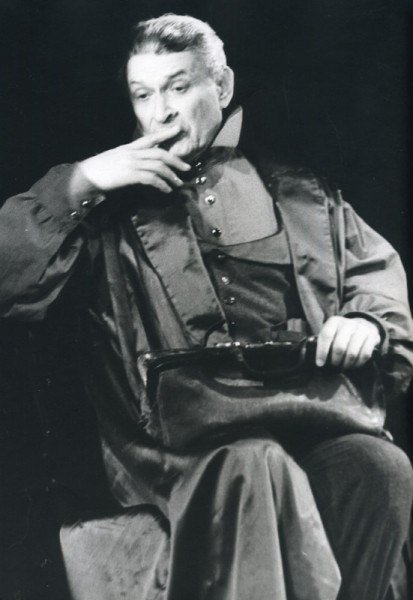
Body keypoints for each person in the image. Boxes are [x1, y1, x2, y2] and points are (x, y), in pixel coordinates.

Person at [0, 13, 412, 600]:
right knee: (255, 463)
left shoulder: (304, 195)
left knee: (379, 467)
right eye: (143, 94)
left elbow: (375, 274)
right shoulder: (107, 210)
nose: (161, 112)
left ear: (221, 86)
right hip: (173, 443)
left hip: (309, 410)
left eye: (177, 87)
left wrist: (366, 321)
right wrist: (82, 180)